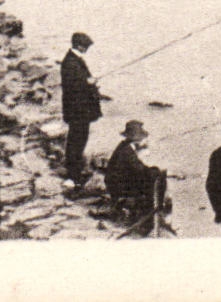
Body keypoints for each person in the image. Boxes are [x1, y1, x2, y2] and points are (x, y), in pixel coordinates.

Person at [104, 120, 168, 234]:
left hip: (114, 182)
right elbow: (139, 169)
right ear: (137, 138)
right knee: (152, 181)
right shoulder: (127, 151)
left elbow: (138, 168)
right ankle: (149, 218)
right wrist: (156, 171)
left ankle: (150, 213)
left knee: (150, 176)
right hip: (117, 186)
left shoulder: (124, 146)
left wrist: (151, 170)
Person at [60, 31, 103, 187]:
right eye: (86, 47)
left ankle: (74, 171)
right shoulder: (72, 63)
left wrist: (88, 81)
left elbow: (77, 82)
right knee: (77, 141)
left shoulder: (73, 60)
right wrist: (89, 83)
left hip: (77, 110)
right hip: (78, 111)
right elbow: (74, 87)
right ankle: (73, 175)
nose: (87, 49)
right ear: (79, 46)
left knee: (77, 140)